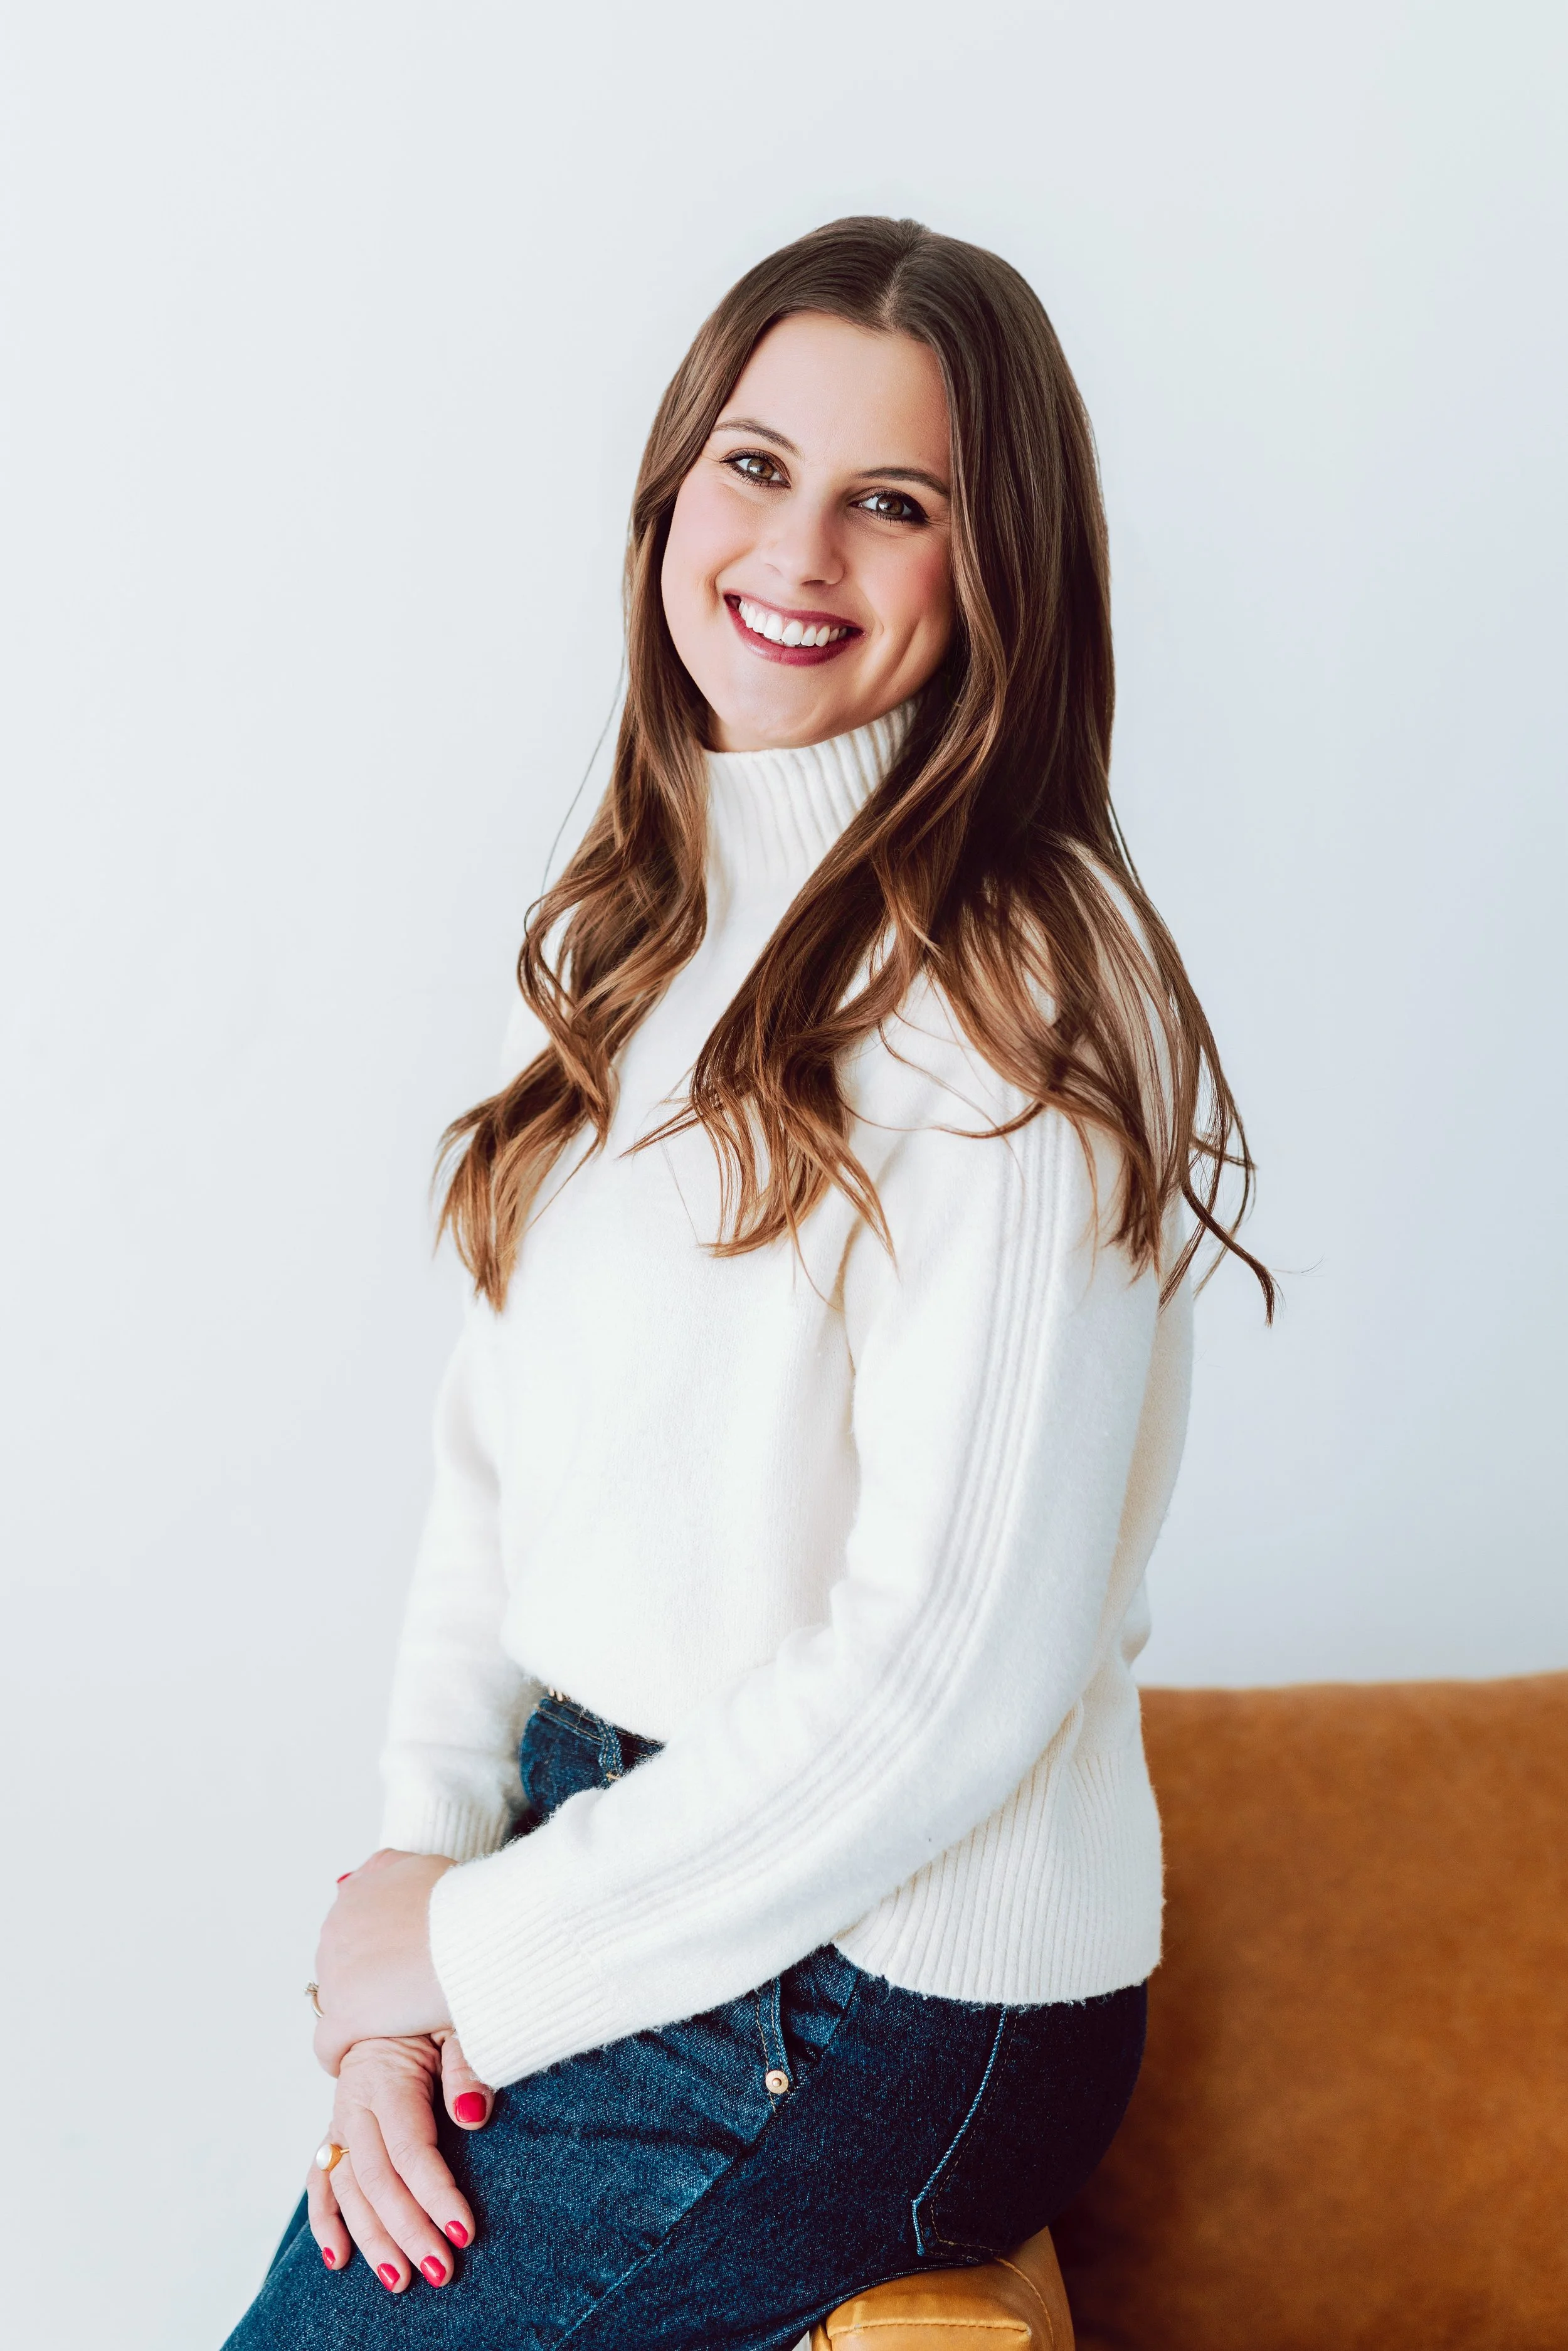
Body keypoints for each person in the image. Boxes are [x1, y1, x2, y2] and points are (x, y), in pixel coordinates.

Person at [225, 213, 1271, 2350]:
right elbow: (491, 1482)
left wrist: (472, 1955)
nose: (796, 550)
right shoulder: (627, 921)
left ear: (998, 569)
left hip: (886, 1976)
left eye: (894, 503)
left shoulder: (1018, 993)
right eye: (756, 465)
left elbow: (944, 1683)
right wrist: (407, 1931)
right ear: (672, 490)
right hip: (606, 1860)